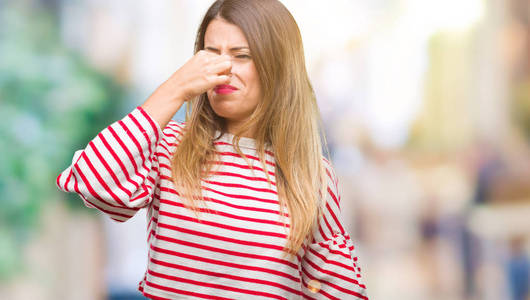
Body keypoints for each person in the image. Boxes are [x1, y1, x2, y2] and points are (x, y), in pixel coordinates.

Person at [55, 0, 368, 299]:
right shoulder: (169, 147)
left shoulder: (312, 175)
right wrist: (175, 88)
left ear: (277, 65)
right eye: (210, 54)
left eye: (240, 55)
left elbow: (342, 291)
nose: (222, 68)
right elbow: (90, 181)